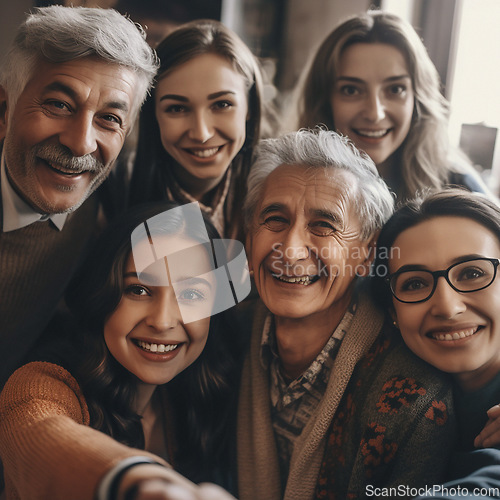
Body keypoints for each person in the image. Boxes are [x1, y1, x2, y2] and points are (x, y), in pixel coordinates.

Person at [237, 129, 456, 500]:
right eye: (275, 219)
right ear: (248, 236)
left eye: (324, 225)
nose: (290, 250)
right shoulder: (224, 336)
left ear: (367, 256)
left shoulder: (416, 403)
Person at [0, 200, 247, 500]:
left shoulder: (203, 398)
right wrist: (133, 481)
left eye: (192, 293)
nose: (162, 321)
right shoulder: (39, 383)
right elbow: (39, 434)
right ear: (103, 294)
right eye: (139, 290)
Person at [0, 5, 158, 388]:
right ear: (4, 110)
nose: (81, 143)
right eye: (59, 105)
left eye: (109, 119)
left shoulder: (110, 208)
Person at [371, 189, 500, 492]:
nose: (447, 307)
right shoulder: (389, 394)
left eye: (472, 273)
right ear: (392, 311)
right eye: (414, 283)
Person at [291, 10, 487, 200]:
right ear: (324, 100)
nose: (375, 114)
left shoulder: (461, 189)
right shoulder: (288, 184)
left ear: (417, 99)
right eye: (351, 90)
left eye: (395, 89)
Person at [129, 19, 270, 241]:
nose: (201, 134)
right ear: (153, 114)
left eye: (222, 104)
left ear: (250, 106)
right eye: (177, 108)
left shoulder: (277, 190)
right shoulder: (115, 192)